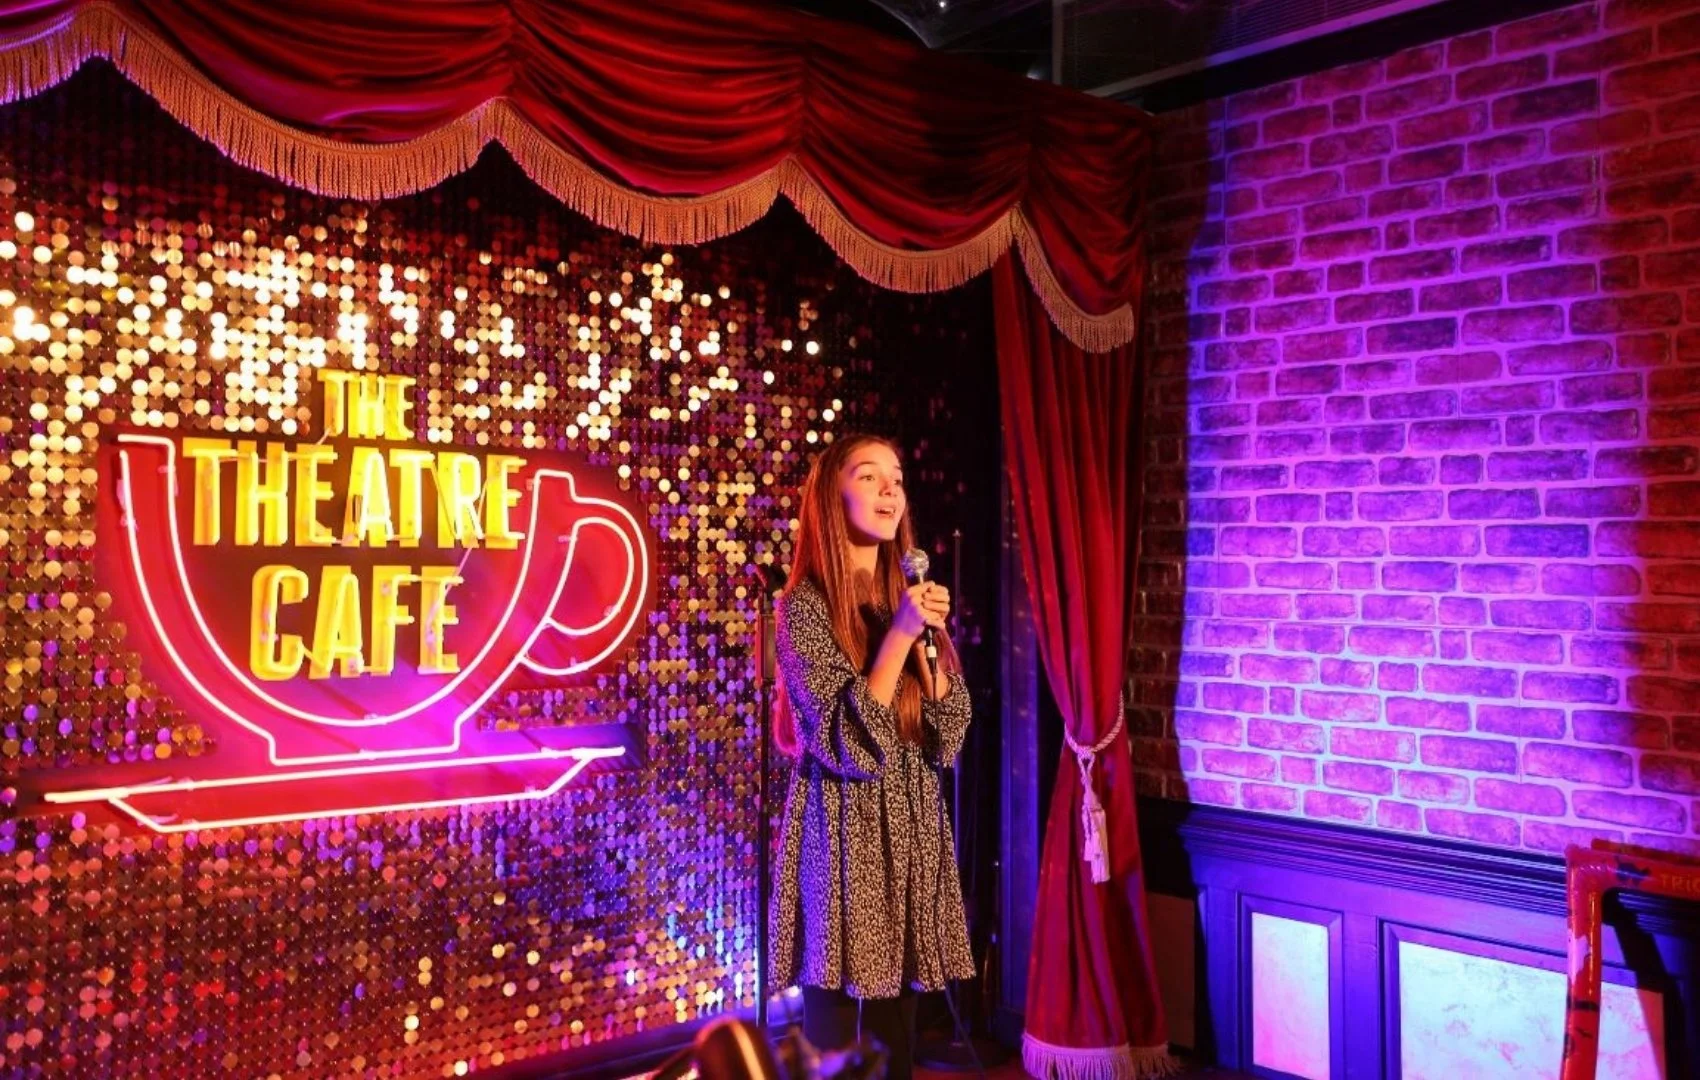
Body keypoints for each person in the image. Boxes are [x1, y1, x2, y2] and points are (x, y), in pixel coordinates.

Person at [766, 433, 976, 1080]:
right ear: (832, 496)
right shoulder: (803, 607)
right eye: (869, 475)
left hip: (911, 823)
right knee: (842, 1035)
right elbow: (846, 741)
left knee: (897, 1039)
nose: (890, 489)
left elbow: (951, 729)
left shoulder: (904, 599)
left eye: (897, 476)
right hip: (844, 828)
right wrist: (900, 640)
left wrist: (929, 637)